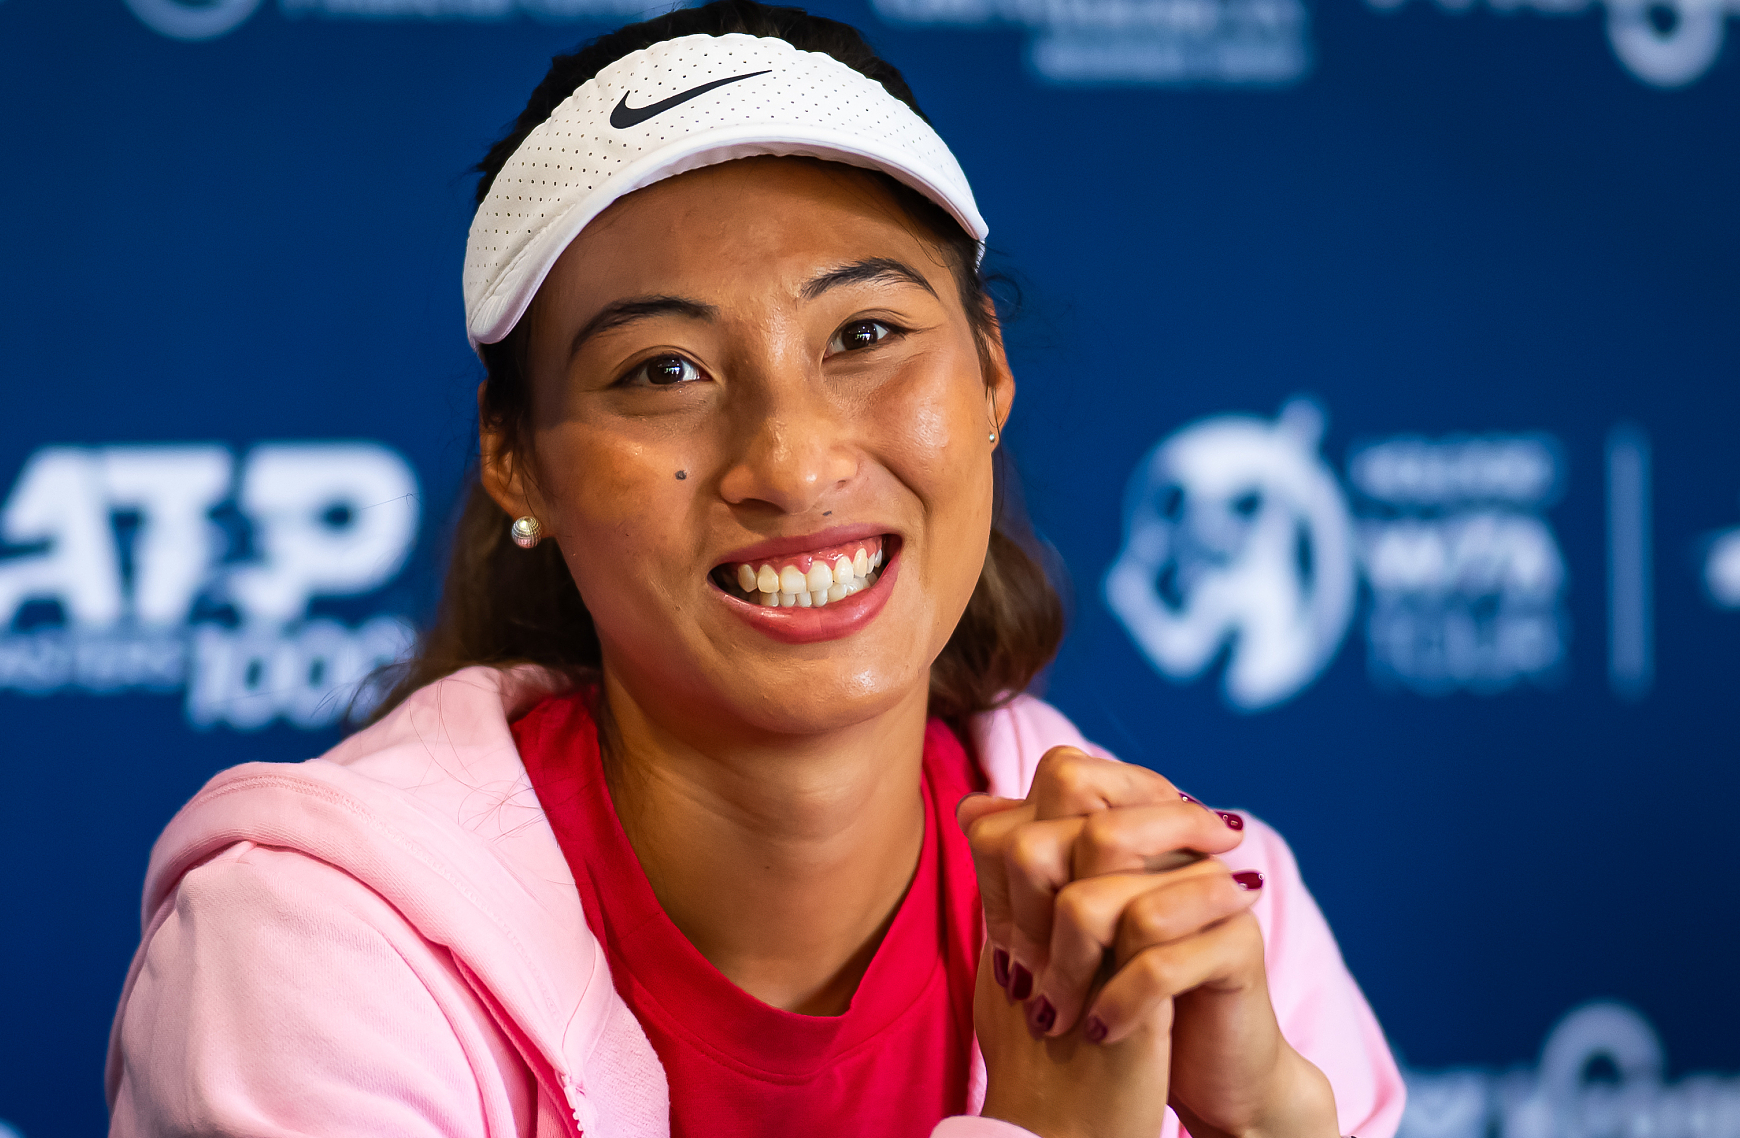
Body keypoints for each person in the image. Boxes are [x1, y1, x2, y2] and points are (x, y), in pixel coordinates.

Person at [104, 4, 1407, 1136]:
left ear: (991, 369)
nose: (790, 461)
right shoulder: (307, 947)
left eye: (867, 334)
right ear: (518, 462)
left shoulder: (1203, 919)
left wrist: (1279, 1124)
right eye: (663, 371)